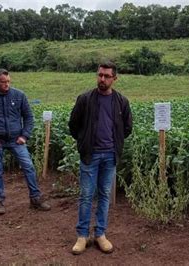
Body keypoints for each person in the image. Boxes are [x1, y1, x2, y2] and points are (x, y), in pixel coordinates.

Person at [68, 62, 133, 254]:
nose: (102, 79)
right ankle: (82, 235)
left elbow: (127, 128)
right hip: (90, 154)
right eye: (100, 75)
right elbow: (73, 125)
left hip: (110, 156)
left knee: (104, 195)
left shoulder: (121, 101)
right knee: (87, 195)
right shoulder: (85, 99)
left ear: (114, 78)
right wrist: (84, 142)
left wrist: (114, 145)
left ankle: (100, 234)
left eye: (106, 76)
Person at [0, 68, 51, 215]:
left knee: (29, 167)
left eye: (8, 81)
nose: (6, 85)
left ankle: (35, 198)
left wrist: (25, 136)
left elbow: (28, 117)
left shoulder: (19, 96)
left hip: (16, 139)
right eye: (3, 82)